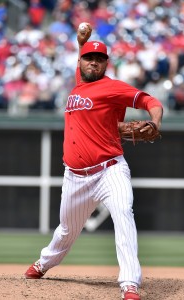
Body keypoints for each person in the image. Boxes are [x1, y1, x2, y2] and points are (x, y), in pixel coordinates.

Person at [24, 24, 163, 300]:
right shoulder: (78, 81)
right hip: (75, 176)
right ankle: (44, 262)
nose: (94, 63)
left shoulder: (112, 88)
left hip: (110, 170)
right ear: (81, 61)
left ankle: (129, 284)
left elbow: (149, 100)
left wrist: (156, 121)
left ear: (105, 64)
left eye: (100, 59)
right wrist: (82, 43)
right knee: (66, 230)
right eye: (89, 58)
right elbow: (83, 62)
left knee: (124, 216)